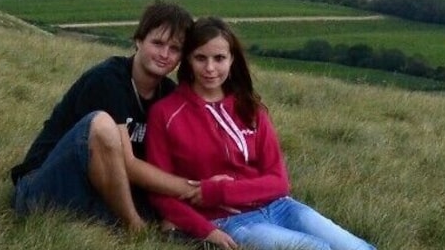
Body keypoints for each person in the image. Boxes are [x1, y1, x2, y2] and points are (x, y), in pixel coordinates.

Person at [145, 17, 374, 250]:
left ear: (232, 59)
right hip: (228, 221)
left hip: (281, 206)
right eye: (200, 58)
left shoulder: (250, 108)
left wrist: (219, 191)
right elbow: (160, 195)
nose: (210, 68)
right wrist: (207, 230)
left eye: (219, 58)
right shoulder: (165, 113)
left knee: (358, 248)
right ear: (188, 60)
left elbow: (279, 182)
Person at [10, 2, 200, 233]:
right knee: (101, 125)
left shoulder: (169, 95)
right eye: (157, 43)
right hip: (43, 187)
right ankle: (134, 228)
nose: (164, 54)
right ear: (138, 40)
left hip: (97, 192)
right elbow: (128, 165)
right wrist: (192, 189)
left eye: (175, 48)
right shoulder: (107, 79)